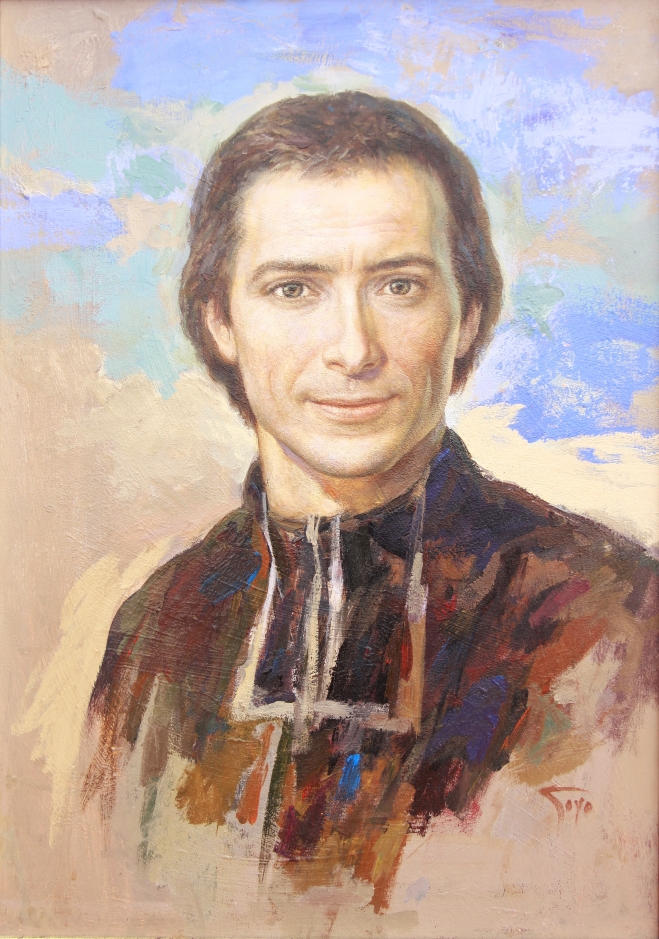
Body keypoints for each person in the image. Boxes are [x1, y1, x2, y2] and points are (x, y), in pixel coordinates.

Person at [82, 92, 657, 914]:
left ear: (468, 316)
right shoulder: (160, 624)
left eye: (398, 285)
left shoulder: (610, 618)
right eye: (293, 289)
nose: (352, 349)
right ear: (219, 321)